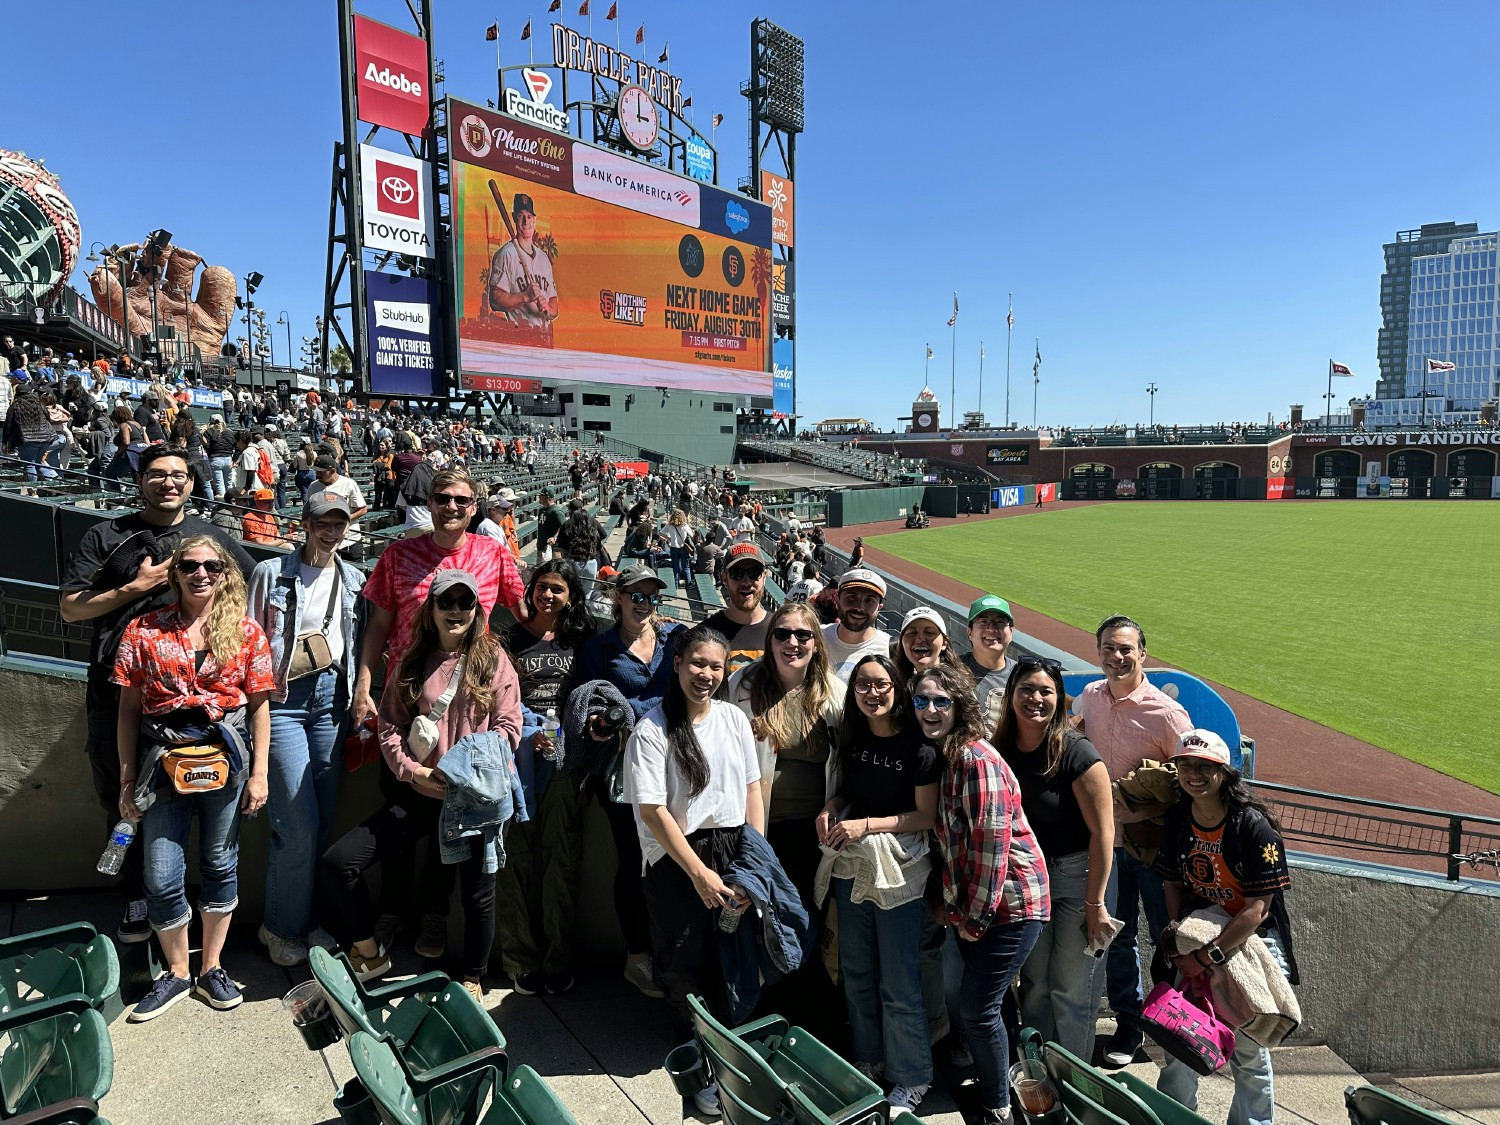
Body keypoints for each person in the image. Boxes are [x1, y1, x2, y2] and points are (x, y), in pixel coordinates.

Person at [60, 445, 256, 944]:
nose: (168, 483)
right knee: (122, 793)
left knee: (196, 802)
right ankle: (138, 897)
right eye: (156, 474)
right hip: (117, 688)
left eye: (178, 475)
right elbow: (70, 608)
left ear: (192, 482)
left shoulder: (212, 538)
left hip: (193, 701)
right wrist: (137, 586)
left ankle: (181, 902)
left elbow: (250, 589)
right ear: (140, 479)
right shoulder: (106, 535)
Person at [322, 570, 522, 1004]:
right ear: (430, 609)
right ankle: (369, 951)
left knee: (477, 893)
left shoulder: (494, 660)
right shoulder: (411, 659)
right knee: (340, 862)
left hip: (471, 801)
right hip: (419, 794)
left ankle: (473, 974)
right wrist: (412, 771)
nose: (455, 611)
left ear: (477, 609)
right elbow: (390, 725)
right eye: (445, 602)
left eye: (464, 603)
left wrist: (463, 770)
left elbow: (509, 727)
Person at [112, 536, 274, 1021]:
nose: (201, 573)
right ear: (175, 572)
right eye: (190, 565)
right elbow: (127, 712)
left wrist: (260, 773)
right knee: (161, 874)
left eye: (211, 565)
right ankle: (178, 972)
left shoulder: (245, 632)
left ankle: (212, 967)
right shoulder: (144, 630)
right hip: (162, 762)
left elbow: (260, 705)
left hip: (225, 758)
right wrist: (125, 781)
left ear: (225, 573)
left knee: (220, 863)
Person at [624, 624, 761, 1088]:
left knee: (732, 960)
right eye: (697, 663)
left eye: (716, 666)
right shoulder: (652, 729)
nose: (706, 674)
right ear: (678, 664)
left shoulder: (734, 719)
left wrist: (753, 863)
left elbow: (752, 788)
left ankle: (731, 1062)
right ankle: (698, 1065)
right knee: (684, 963)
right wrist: (699, 872)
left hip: (733, 850)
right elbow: (653, 810)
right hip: (679, 858)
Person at [247, 491, 367, 967]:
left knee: (320, 820)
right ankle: (280, 928)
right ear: (305, 522)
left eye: (339, 523)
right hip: (282, 701)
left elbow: (357, 643)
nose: (331, 531)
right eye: (323, 522)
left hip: (331, 700)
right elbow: (251, 637)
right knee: (295, 824)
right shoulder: (270, 573)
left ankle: (305, 918)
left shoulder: (355, 579)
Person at [925, 662, 1049, 1125]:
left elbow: (991, 849)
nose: (931, 709)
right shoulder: (950, 755)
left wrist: (970, 920)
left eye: (942, 701)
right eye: (922, 701)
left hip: (1013, 905)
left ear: (961, 705)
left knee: (978, 1012)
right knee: (993, 1009)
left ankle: (998, 1107)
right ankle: (1018, 1091)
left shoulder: (975, 759)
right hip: (983, 905)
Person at [815, 654, 938, 1115]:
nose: (872, 693)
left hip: (901, 873)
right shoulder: (855, 739)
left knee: (898, 980)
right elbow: (852, 790)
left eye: (881, 685)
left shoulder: (920, 748)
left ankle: (912, 1076)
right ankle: (868, 1061)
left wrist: (864, 825)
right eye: (863, 686)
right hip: (854, 866)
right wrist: (834, 804)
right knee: (858, 971)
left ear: (897, 688)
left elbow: (924, 816)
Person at [1154, 730, 1297, 1125]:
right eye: (1185, 765)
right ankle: (1174, 1118)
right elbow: (1172, 883)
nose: (1193, 774)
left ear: (1225, 773)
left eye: (1204, 767)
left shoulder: (1255, 828)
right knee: (1180, 1039)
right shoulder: (1179, 817)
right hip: (1195, 936)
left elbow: (1256, 912)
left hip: (1250, 943)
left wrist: (1208, 956)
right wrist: (1179, 936)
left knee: (1249, 1053)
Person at [1076, 614, 1194, 1068]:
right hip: (1107, 848)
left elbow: (1194, 777)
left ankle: (1172, 1022)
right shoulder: (1090, 697)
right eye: (1109, 647)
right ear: (1099, 652)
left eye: (1126, 648)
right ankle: (1129, 1024)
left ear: (1142, 653)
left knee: (1168, 939)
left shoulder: (1165, 712)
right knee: (1117, 939)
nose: (1117, 656)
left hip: (1156, 851)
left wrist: (1140, 809)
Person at [725, 600, 844, 1034]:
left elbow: (848, 768)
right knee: (766, 920)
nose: (792, 643)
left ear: (817, 642)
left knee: (806, 921)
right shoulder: (742, 685)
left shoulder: (834, 693)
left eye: (803, 635)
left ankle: (804, 1017)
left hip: (814, 834)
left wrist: (837, 807)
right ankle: (768, 1012)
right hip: (759, 829)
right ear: (770, 638)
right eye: (782, 633)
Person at [573, 565, 685, 999]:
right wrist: (601, 722)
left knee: (669, 856)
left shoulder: (674, 639)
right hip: (619, 766)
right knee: (634, 857)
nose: (644, 604)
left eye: (651, 597)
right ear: (618, 597)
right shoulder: (599, 648)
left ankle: (668, 951)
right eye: (635, 595)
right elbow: (583, 702)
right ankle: (637, 957)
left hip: (671, 760)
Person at [995, 656, 1115, 1060]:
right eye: (1027, 689)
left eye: (1046, 691)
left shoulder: (1078, 753)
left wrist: (1096, 903)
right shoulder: (1001, 749)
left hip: (1075, 876)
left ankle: (1074, 1081)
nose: (1036, 698)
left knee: (1071, 989)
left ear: (1059, 699)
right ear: (1011, 695)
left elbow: (1104, 832)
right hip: (1026, 879)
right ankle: (1036, 1074)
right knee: (1034, 985)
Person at [496, 560, 595, 995]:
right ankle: (519, 959)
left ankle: (558, 959)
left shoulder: (582, 641)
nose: (548, 595)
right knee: (514, 859)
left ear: (571, 595)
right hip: (517, 762)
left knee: (561, 857)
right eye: (541, 587)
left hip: (564, 762)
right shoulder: (510, 638)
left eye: (558, 589)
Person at [489, 193, 558, 331]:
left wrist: (547, 308)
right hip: (519, 334)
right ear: (514, 218)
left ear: (534, 220)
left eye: (529, 216)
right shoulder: (506, 254)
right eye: (521, 216)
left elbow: (554, 305)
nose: (526, 222)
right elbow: (494, 300)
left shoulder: (544, 259)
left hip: (544, 337)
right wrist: (525, 296)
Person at [704, 541, 772, 681]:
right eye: (737, 573)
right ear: (724, 578)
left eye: (754, 573)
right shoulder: (705, 633)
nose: (746, 582)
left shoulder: (782, 631)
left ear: (764, 576)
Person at [822, 568, 892, 681]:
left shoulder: (891, 649)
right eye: (851, 598)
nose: (859, 608)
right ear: (837, 601)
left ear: (879, 609)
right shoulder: (816, 637)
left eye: (869, 601)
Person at [963, 595, 1018, 732]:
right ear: (970, 633)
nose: (991, 629)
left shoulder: (1022, 674)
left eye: (1000, 622)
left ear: (1010, 633)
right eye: (983, 622)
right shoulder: (951, 670)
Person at [310, 451, 369, 561]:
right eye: (316, 471)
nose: (317, 475)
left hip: (350, 538)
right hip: (324, 540)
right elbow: (308, 509)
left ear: (332, 471)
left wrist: (345, 519)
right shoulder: (313, 486)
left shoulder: (348, 484)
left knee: (356, 571)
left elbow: (363, 509)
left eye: (321, 472)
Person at [891, 606, 962, 684]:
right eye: (912, 633)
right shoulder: (893, 686)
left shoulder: (960, 687)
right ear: (902, 642)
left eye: (929, 633)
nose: (920, 639)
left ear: (944, 643)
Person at [203, 414, 237, 500]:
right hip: (228, 459)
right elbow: (235, 445)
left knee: (219, 484)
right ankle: (231, 503)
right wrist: (234, 459)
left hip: (215, 459)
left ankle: (224, 505)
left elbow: (207, 447)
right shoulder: (230, 432)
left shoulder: (209, 431)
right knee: (228, 483)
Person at [664, 508, 696, 588]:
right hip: (682, 548)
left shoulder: (669, 525)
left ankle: (676, 585)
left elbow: (660, 532)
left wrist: (669, 538)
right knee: (686, 567)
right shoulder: (684, 525)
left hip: (673, 548)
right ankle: (688, 584)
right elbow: (692, 535)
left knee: (676, 567)